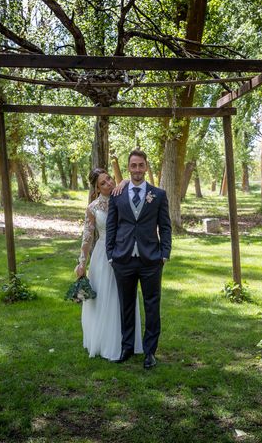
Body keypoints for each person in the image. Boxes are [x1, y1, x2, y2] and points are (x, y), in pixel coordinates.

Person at [106, 149, 172, 369]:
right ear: (129, 167)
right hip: (122, 259)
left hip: (151, 260)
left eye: (140, 165)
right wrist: (110, 255)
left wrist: (164, 254)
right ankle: (126, 348)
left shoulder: (159, 195)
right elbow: (111, 226)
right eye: (133, 165)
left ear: (146, 167)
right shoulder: (117, 195)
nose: (137, 169)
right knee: (126, 305)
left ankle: (150, 352)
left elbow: (165, 227)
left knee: (152, 306)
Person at [75, 169, 143, 360]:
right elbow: (87, 237)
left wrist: (125, 181)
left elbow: (138, 182)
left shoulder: (123, 195)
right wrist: (81, 263)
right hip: (102, 255)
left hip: (125, 251)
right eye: (103, 183)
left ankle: (127, 340)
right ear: (96, 189)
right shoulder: (93, 208)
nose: (109, 184)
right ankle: (106, 342)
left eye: (110, 179)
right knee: (104, 297)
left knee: (125, 296)